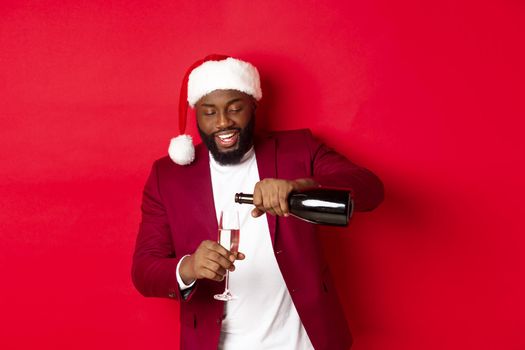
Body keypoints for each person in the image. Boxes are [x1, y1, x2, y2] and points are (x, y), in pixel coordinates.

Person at [131, 54, 384, 350]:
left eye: (235, 108)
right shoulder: (168, 176)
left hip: (303, 341)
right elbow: (144, 270)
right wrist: (189, 267)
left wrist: (300, 187)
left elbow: (370, 190)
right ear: (196, 114)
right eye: (209, 112)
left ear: (253, 105)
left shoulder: (297, 149)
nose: (223, 122)